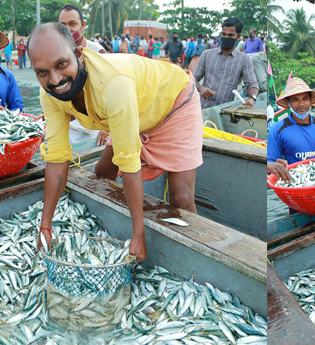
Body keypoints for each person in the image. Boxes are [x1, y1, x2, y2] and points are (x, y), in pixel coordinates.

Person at [28, 23, 203, 262]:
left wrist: (137, 234)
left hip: (174, 104)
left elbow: (130, 164)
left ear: (79, 55)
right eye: (42, 72)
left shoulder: (111, 85)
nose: (55, 79)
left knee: (181, 198)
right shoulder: (49, 93)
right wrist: (45, 225)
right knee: (102, 173)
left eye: (62, 64)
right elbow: (57, 157)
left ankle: (196, 255)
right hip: (133, 109)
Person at [267, 77, 315, 183]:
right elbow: (271, 164)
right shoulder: (277, 129)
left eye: (305, 98)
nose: (301, 104)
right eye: (295, 100)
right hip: (295, 186)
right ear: (288, 103)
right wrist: (269, 166)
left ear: (311, 100)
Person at [193, 18, 259, 109]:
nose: (226, 37)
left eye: (231, 35)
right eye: (224, 34)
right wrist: (200, 88)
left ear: (238, 36)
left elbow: (253, 84)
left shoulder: (244, 60)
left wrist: (252, 98)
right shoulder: (206, 54)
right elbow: (193, 79)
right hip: (202, 109)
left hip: (225, 112)